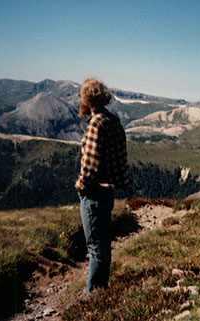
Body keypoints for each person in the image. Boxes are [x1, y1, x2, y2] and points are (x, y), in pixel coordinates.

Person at [75, 78, 129, 297]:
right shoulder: (112, 120)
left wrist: (80, 185)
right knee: (103, 242)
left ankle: (92, 293)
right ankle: (100, 287)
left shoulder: (96, 124)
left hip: (94, 192)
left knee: (95, 245)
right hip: (109, 191)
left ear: (88, 100)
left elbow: (90, 166)